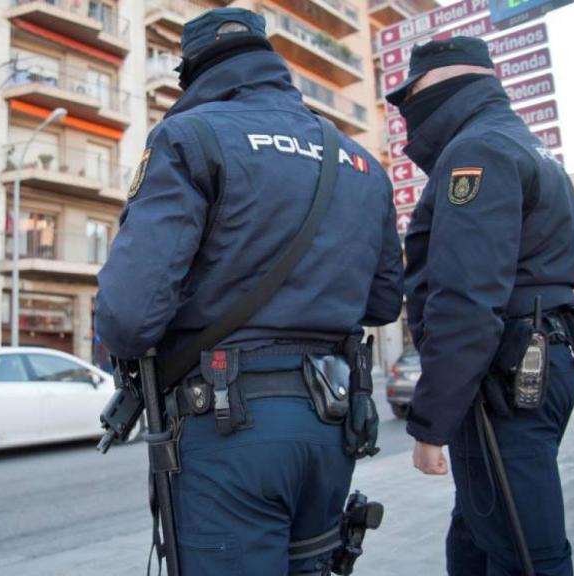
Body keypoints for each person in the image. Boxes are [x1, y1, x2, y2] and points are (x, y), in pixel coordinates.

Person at [96, 8, 402, 574]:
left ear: (192, 74)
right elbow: (384, 302)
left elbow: (129, 317)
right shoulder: (361, 161)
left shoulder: (189, 136)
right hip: (332, 424)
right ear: (271, 61)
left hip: (228, 426)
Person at [387, 37, 574, 576]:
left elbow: (467, 301)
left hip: (507, 375)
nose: (408, 108)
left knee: (526, 553)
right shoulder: (519, 143)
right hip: (533, 361)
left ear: (446, 83)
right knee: (479, 533)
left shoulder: (476, 151)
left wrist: (431, 424)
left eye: (415, 90)